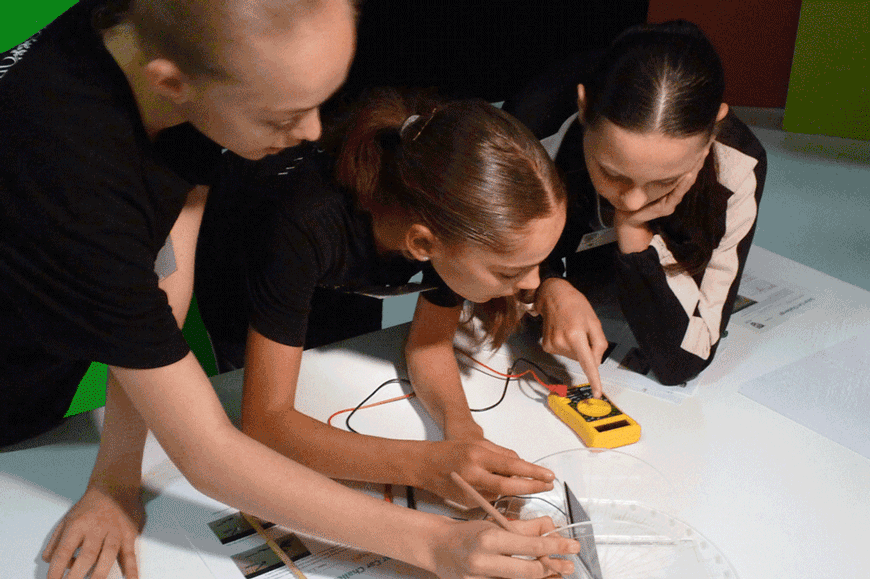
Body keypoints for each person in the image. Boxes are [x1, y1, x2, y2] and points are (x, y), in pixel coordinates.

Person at [0, 2, 579, 579]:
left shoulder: (170, 37)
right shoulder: (70, 186)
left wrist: (118, 478)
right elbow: (207, 451)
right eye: (282, 117)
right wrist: (436, 544)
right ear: (171, 85)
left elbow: (161, 269)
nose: (309, 134)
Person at [195, 87, 567, 507]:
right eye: (510, 271)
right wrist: (426, 466)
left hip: (341, 273)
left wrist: (461, 430)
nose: (532, 284)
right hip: (240, 276)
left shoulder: (442, 213)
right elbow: (265, 422)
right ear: (424, 244)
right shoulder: (304, 224)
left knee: (337, 363)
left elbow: (428, 345)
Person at [504, 20, 767, 388]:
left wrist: (632, 230)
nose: (632, 199)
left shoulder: (737, 165)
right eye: (612, 173)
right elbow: (485, 264)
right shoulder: (527, 135)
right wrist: (546, 287)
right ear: (583, 107)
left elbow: (685, 357)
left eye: (664, 181)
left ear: (713, 131)